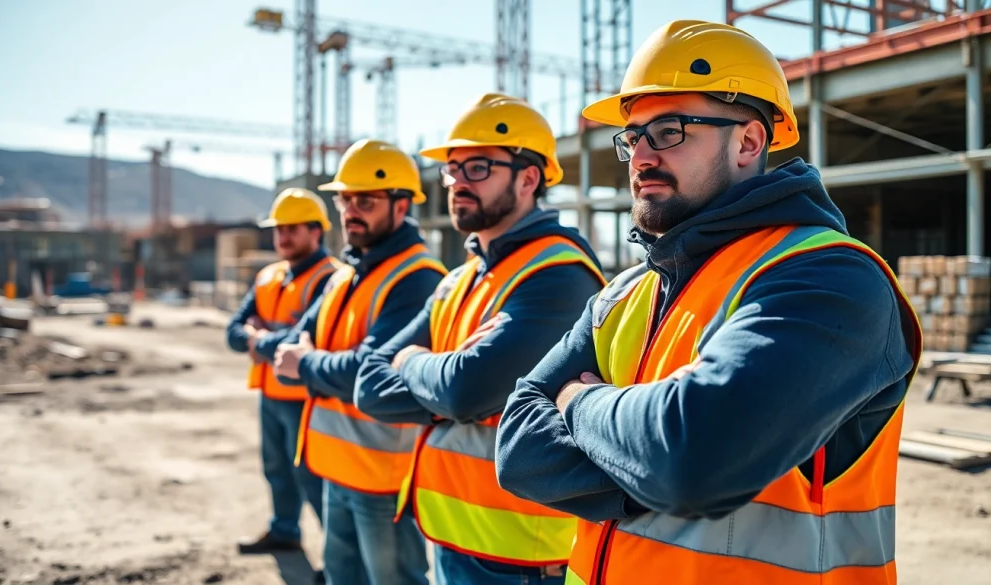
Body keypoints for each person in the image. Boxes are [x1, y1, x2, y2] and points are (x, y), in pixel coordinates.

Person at [494, 20, 922, 585]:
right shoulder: (625, 294)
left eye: (668, 130)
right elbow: (516, 446)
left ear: (748, 141)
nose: (640, 156)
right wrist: (647, 465)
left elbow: (694, 456)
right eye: (632, 136)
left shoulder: (829, 277)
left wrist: (577, 401)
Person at [354, 93, 608, 585]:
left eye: (477, 168)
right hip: (457, 537)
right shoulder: (460, 279)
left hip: (524, 555)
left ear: (528, 178)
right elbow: (369, 383)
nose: (457, 184)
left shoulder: (558, 275)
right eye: (452, 170)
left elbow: (466, 390)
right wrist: (448, 377)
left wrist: (411, 363)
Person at [272, 138, 446, 585]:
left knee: (395, 578)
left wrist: (307, 364)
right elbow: (292, 342)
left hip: (384, 473)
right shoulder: (347, 272)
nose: (350, 210)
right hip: (336, 466)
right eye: (345, 199)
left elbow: (370, 369)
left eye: (364, 200)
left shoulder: (417, 277)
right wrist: (308, 357)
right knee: (340, 575)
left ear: (402, 205)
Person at [225, 188, 339, 562]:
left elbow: (302, 338)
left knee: (314, 479)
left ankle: (336, 558)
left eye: (292, 229)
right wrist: (258, 339)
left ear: (316, 232)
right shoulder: (267, 276)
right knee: (275, 468)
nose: (283, 237)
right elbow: (232, 331)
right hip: (271, 394)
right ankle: (284, 531)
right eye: (279, 229)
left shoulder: (331, 279)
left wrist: (257, 338)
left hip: (309, 399)